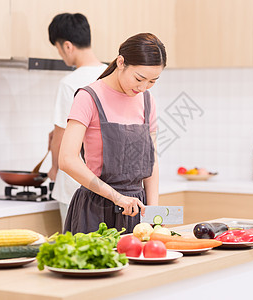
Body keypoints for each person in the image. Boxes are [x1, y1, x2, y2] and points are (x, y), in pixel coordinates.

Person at [59, 33, 166, 234]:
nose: (143, 87)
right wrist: (116, 197)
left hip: (136, 212)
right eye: (139, 78)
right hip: (95, 211)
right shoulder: (88, 97)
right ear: (121, 62)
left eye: (152, 81)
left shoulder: (147, 102)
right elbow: (67, 159)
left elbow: (152, 162)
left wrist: (153, 215)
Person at [47, 13, 107, 226]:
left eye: (58, 48)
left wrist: (54, 169)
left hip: (75, 187)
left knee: (76, 253)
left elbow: (61, 138)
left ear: (68, 46)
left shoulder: (70, 83)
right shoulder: (112, 76)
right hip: (108, 186)